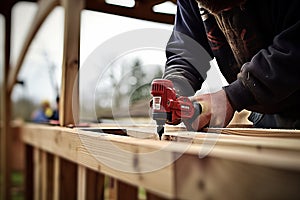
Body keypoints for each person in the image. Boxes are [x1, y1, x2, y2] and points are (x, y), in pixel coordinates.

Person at [163, 0, 300, 130]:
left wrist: (233, 96)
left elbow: (294, 49)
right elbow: (187, 49)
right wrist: (176, 84)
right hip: (265, 110)